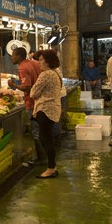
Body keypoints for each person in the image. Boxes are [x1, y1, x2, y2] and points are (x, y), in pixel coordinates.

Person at [30, 50, 63, 178]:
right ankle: (52, 166)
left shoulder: (46, 74)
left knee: (46, 139)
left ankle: (51, 168)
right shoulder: (56, 72)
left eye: (42, 59)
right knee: (46, 138)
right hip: (53, 109)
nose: (39, 62)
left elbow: (33, 93)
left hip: (45, 110)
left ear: (48, 61)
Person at [9, 47, 43, 165]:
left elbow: (27, 87)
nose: (11, 57)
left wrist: (13, 84)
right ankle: (42, 156)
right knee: (41, 130)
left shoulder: (22, 67)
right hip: (40, 101)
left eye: (13, 55)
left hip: (32, 102)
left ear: (18, 56)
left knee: (36, 131)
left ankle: (40, 159)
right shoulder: (34, 62)